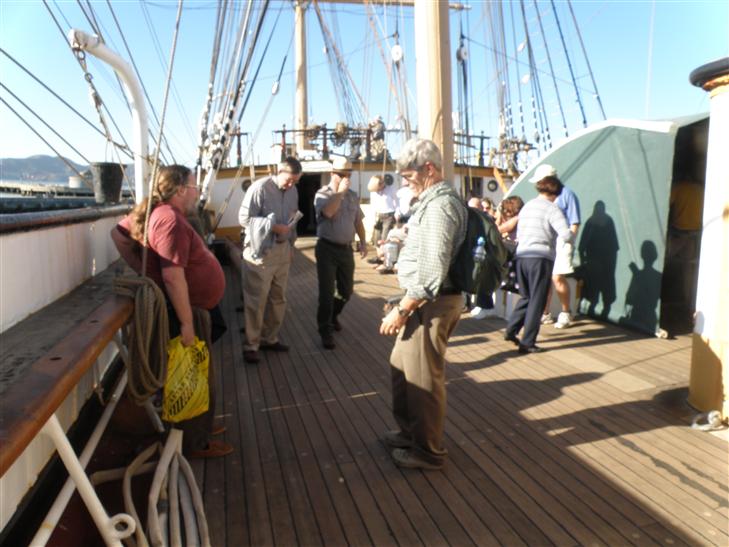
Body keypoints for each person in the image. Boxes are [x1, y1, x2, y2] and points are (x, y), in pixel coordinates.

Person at [111, 164, 233, 459]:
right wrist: (187, 323)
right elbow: (172, 276)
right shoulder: (169, 221)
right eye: (194, 187)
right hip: (189, 309)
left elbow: (118, 234)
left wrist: (146, 267)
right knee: (192, 376)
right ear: (180, 190)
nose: (197, 193)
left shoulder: (164, 215)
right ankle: (195, 442)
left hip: (195, 304)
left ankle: (199, 426)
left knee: (194, 372)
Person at [379, 138, 467, 471]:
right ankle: (409, 433)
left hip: (431, 304)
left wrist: (402, 310)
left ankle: (428, 451)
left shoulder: (440, 206)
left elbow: (431, 271)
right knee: (403, 368)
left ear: (428, 169)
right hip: (422, 302)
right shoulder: (430, 203)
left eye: (407, 176)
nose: (404, 183)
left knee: (424, 379)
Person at [238, 156, 302, 364]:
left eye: (295, 181)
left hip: (283, 252)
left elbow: (293, 220)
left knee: (278, 299)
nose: (291, 185)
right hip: (261, 253)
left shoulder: (293, 191)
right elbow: (244, 219)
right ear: (278, 171)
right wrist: (274, 227)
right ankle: (251, 344)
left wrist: (291, 245)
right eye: (289, 180)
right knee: (256, 301)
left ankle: (269, 338)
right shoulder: (260, 188)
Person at [504, 170, 573, 354]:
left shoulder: (528, 207)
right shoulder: (552, 209)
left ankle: (511, 329)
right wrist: (571, 234)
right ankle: (527, 342)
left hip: (522, 256)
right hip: (540, 258)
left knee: (526, 296)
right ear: (555, 193)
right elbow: (565, 234)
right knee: (537, 300)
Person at [314, 157, 368, 350]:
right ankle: (325, 330)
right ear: (332, 174)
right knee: (326, 293)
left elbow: (358, 220)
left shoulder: (352, 196)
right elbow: (328, 213)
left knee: (347, 291)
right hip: (327, 248)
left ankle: (333, 315)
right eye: (341, 174)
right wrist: (340, 192)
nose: (345, 178)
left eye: (348, 174)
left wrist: (362, 242)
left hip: (345, 249)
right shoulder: (322, 194)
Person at [534, 165, 580, 329]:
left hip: (562, 240)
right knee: (546, 276)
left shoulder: (567, 194)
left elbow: (574, 221)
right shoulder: (543, 197)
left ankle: (566, 312)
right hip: (547, 240)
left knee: (557, 277)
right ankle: (545, 312)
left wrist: (569, 242)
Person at [367, 174, 398, 249]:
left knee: (385, 237)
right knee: (377, 238)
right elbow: (373, 205)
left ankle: (384, 257)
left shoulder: (391, 189)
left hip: (389, 215)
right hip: (378, 215)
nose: (377, 191)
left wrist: (397, 213)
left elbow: (397, 201)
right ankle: (379, 256)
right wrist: (373, 219)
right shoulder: (373, 192)